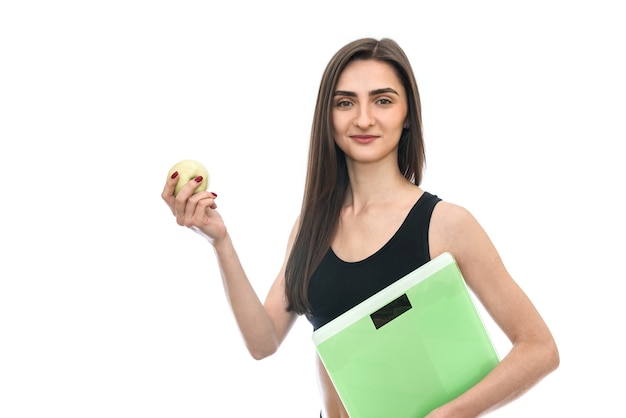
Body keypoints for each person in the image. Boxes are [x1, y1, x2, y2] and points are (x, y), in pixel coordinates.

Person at [161, 37, 559, 417]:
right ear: (327, 117)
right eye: (345, 102)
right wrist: (221, 242)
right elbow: (263, 342)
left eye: (383, 100)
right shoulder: (310, 228)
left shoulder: (447, 224)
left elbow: (539, 348)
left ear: (407, 116)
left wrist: (452, 413)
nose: (363, 118)